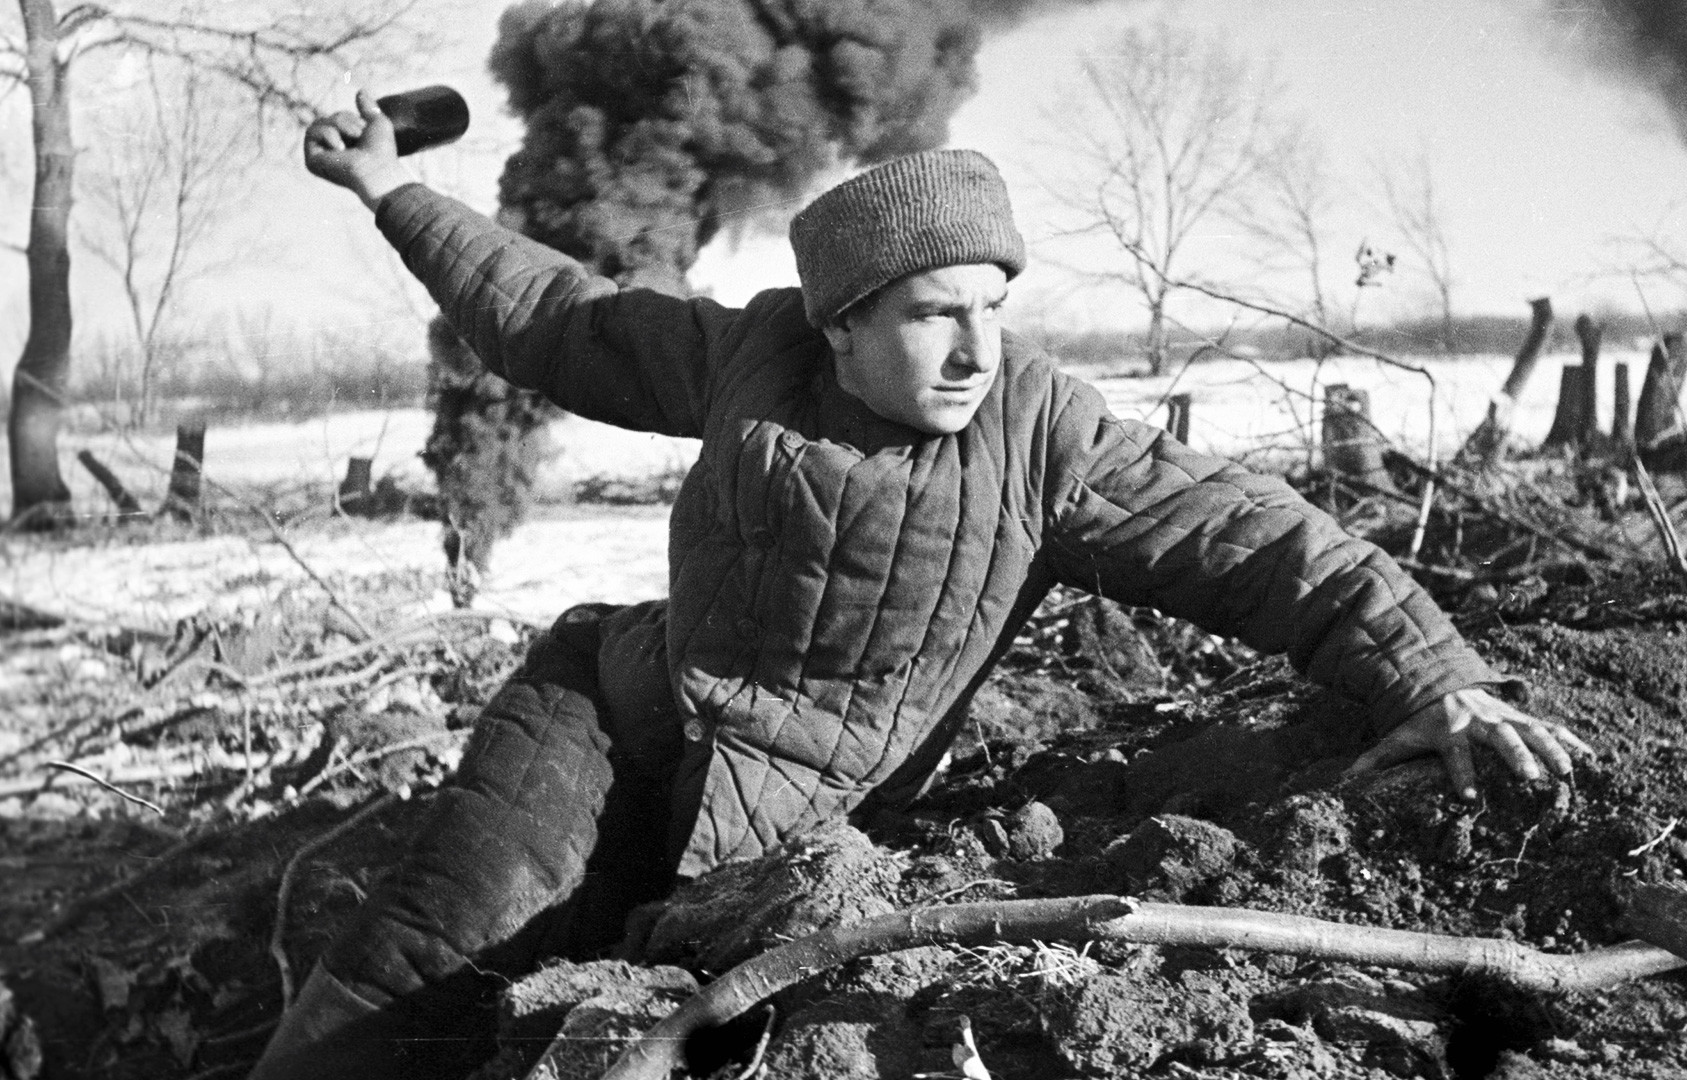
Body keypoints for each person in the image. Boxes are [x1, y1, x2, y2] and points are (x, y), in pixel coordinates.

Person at [254, 91, 1589, 1080]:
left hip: (784, 827)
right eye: (934, 312)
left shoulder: (1042, 438)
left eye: (994, 306)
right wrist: (390, 191)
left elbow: (1259, 541)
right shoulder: (751, 357)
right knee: (419, 971)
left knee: (635, 1022)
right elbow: (556, 318)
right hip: (607, 709)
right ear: (840, 322)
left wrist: (1435, 677)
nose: (975, 349)